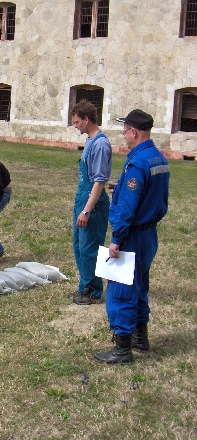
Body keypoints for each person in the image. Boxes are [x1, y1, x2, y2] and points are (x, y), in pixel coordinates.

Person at [94, 110, 170, 364]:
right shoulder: (158, 158)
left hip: (132, 236)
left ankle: (122, 349)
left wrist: (117, 239)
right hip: (149, 235)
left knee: (121, 291)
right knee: (139, 286)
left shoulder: (137, 163)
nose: (124, 136)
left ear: (134, 132)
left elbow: (128, 208)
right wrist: (121, 189)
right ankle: (140, 338)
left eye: (125, 132)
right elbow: (151, 194)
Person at [69, 100, 112, 305]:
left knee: (89, 248)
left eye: (77, 122)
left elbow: (99, 181)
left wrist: (86, 211)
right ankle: (84, 286)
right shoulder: (90, 141)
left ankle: (93, 291)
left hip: (92, 205)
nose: (75, 126)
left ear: (87, 119)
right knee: (79, 246)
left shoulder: (101, 144)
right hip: (82, 198)